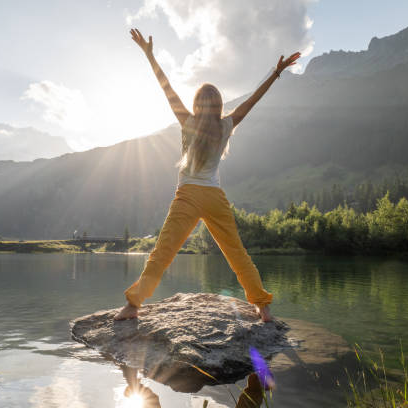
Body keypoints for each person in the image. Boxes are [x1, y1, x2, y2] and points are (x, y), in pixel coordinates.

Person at [115, 28, 301, 322]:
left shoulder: (187, 121)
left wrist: (149, 56)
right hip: (215, 197)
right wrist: (275, 73)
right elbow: (253, 100)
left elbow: (167, 88)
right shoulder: (226, 126)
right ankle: (263, 307)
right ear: (218, 107)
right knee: (237, 254)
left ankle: (133, 306)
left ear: (196, 105)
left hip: (187, 195)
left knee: (162, 253)